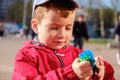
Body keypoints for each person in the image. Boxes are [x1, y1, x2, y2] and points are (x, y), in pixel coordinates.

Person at [12, 0, 115, 80]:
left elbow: (109, 75)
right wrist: (70, 74)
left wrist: (99, 72)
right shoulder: (26, 57)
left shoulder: (77, 55)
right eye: (54, 28)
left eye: (68, 28)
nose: (62, 35)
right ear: (36, 26)